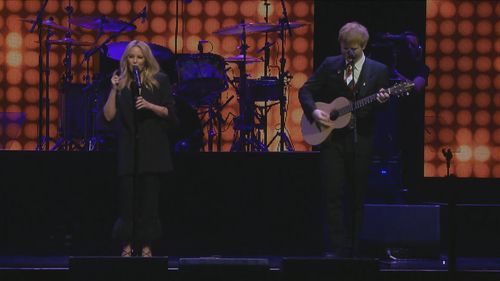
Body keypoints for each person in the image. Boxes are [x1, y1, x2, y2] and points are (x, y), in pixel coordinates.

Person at [299, 22, 390, 257]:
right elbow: (305, 91)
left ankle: (355, 250)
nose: (348, 54)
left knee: (357, 195)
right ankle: (336, 249)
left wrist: (382, 101)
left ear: (363, 46)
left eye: (354, 50)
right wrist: (314, 112)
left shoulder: (378, 71)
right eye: (344, 49)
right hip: (332, 140)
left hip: (362, 140)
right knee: (332, 194)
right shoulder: (331, 65)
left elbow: (381, 110)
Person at [103, 40, 178, 257]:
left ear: (146, 59)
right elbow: (108, 116)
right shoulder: (121, 82)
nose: (135, 61)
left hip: (152, 147)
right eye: (131, 57)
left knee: (149, 202)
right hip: (128, 148)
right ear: (126, 60)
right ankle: (126, 245)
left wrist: (149, 105)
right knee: (127, 200)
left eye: (139, 57)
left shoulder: (159, 80)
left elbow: (171, 115)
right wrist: (113, 89)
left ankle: (147, 246)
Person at [392, 31, 429, 190]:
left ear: (418, 49)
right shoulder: (387, 67)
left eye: (411, 44)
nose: (408, 48)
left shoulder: (422, 68)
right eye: (405, 44)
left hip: (410, 123)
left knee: (409, 160)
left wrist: (394, 73)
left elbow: (416, 87)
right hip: (389, 120)